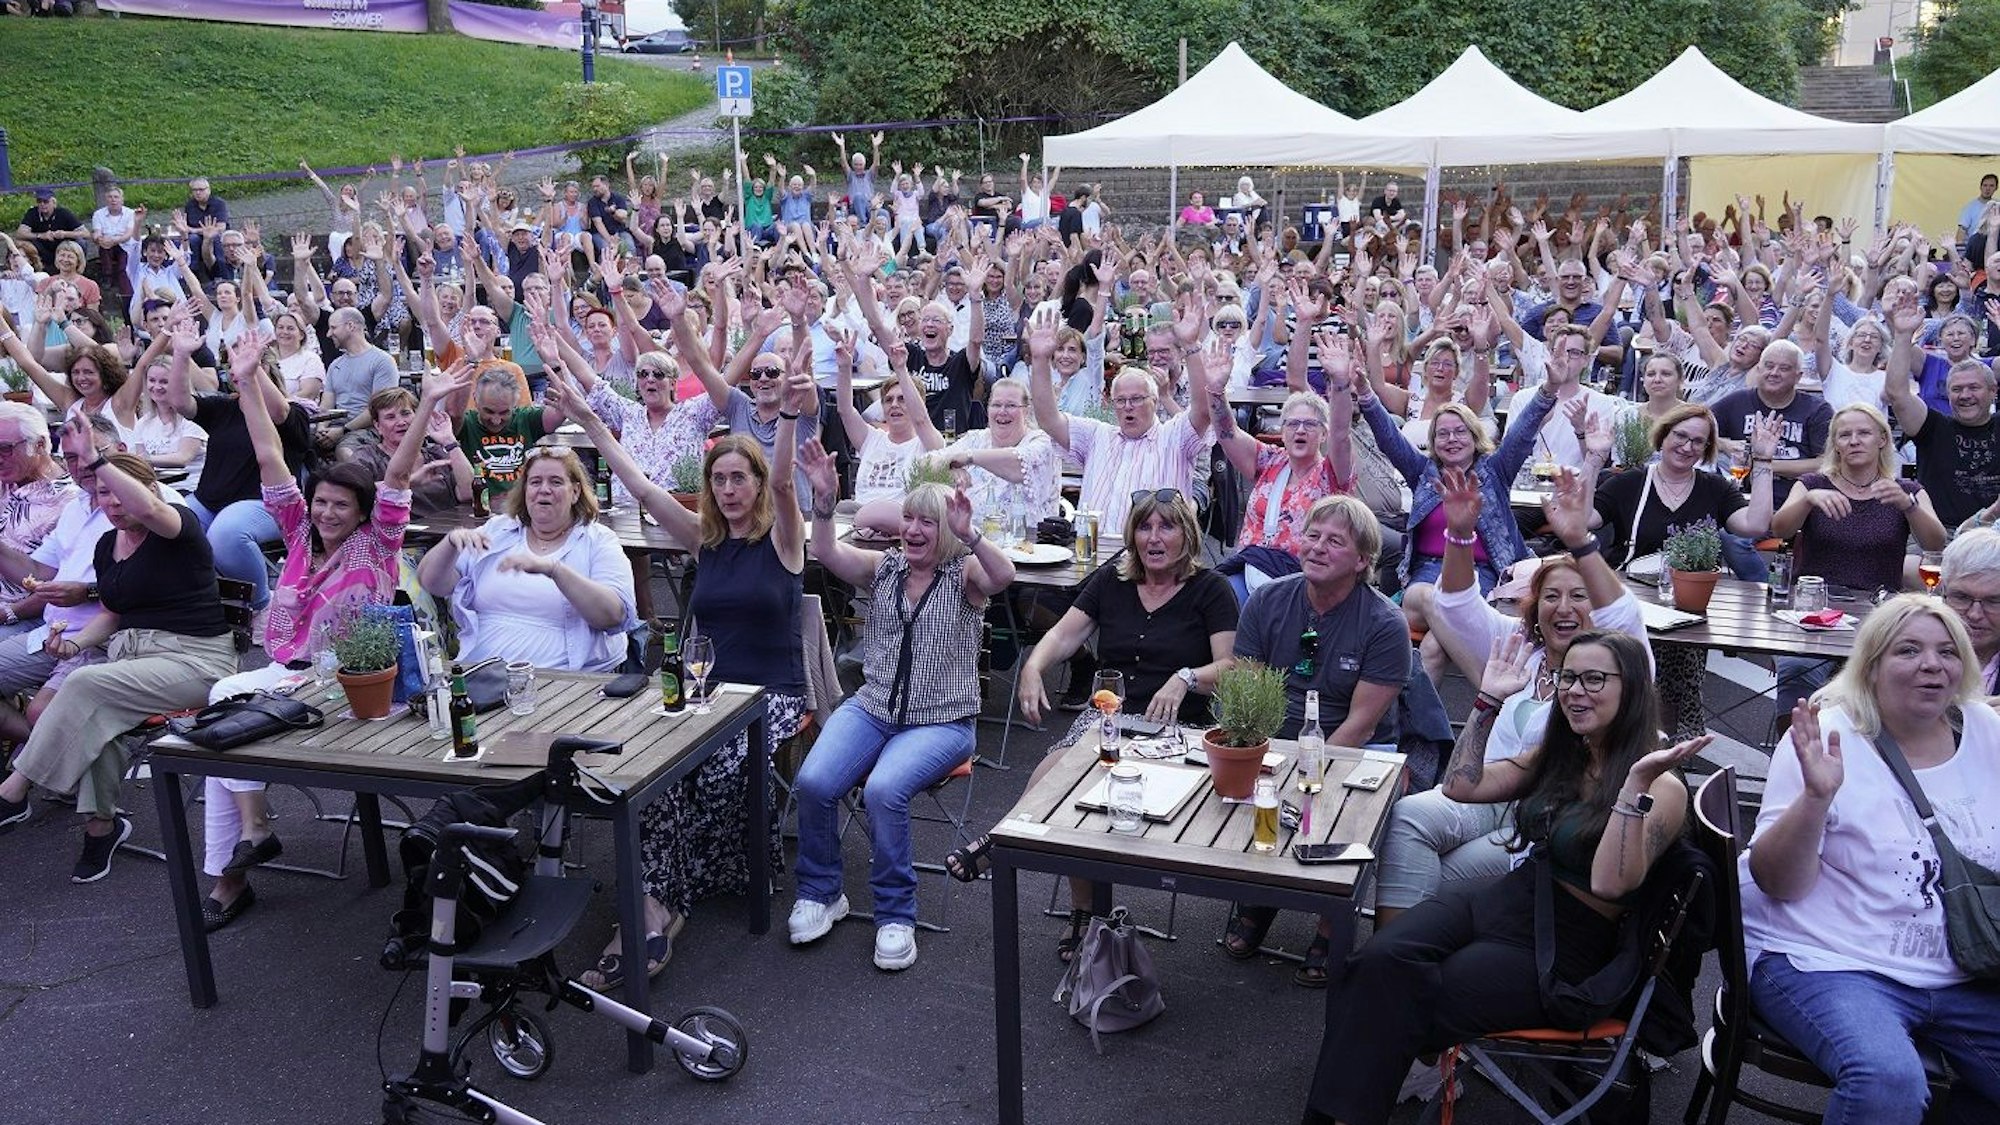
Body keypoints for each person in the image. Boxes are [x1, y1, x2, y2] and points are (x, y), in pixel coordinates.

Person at [1302, 628, 1705, 1125]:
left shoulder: (1661, 786)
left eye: (1595, 679)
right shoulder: (1565, 753)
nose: (1576, 691)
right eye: (1568, 678)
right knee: (1373, 961)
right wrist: (1488, 701)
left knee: (1407, 995)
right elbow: (1460, 787)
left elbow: (1609, 884)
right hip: (1515, 900)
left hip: (1568, 948)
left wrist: (1633, 785)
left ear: (1633, 689)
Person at [550, 364, 812, 988]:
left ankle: (656, 911)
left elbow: (784, 483)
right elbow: (640, 487)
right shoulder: (704, 542)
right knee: (652, 774)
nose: (727, 489)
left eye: (737, 478)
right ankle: (653, 911)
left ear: (755, 483)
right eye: (717, 478)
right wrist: (589, 421)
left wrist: (793, 417)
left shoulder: (785, 543)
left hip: (769, 699)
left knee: (713, 772)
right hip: (704, 693)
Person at [196, 344, 465, 931]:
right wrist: (245, 382)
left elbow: (396, 474)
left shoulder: (379, 542)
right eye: (320, 502)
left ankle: (238, 861)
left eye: (341, 505)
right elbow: (270, 455)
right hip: (291, 678)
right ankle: (246, 843)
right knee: (222, 713)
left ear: (364, 511)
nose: (326, 513)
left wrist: (430, 406)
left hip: (355, 686)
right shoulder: (295, 535)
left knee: (223, 712)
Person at [1741, 596, 2000, 1125]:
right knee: (1888, 1082)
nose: (1932, 664)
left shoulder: (1987, 734)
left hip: (1962, 970)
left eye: (1948, 652)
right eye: (1909, 650)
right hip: (1830, 962)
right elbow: (1777, 883)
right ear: (1872, 665)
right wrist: (1816, 799)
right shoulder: (1827, 739)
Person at [789, 445, 1015, 971]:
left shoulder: (964, 578)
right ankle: (823, 893)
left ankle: (896, 914)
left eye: (928, 523)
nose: (913, 530)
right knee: (815, 781)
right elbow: (827, 553)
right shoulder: (885, 567)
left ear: (949, 531)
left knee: (884, 790)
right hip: (872, 709)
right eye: (908, 518)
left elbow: (1003, 577)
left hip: (943, 722)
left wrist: (973, 533)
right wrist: (824, 503)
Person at [991, 488, 1237, 958]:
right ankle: (1082, 907)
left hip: (1176, 729)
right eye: (1144, 527)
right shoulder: (1112, 579)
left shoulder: (1211, 590)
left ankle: (998, 841)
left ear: (1187, 533)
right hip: (1107, 716)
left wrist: (1185, 678)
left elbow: (1231, 666)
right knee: (1056, 774)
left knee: (1074, 786)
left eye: (1166, 526)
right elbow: (1064, 634)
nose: (1154, 537)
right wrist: (1030, 669)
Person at [0, 436, 237, 884]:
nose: (111, 502)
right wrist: (74, 644)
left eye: (120, 491)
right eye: (103, 493)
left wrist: (97, 459)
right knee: (96, 716)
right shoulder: (108, 545)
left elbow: (150, 512)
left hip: (194, 662)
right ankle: (101, 828)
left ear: (146, 490)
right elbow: (111, 611)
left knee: (87, 687)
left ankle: (15, 787)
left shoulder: (177, 528)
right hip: (134, 659)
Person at [1228, 495, 1411, 986]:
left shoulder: (1384, 624)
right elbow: (1247, 692)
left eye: (1336, 541)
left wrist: (1306, 768)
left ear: (1363, 560)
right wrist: (1263, 758)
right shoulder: (1268, 600)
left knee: (1346, 804)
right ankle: (1260, 894)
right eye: (1312, 535)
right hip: (1277, 734)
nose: (1318, 547)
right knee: (1240, 775)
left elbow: (1363, 725)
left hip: (1354, 746)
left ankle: (1332, 920)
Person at [1769, 403, 1948, 713]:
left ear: (1882, 439)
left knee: (1886, 681)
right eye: (1844, 435)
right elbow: (1779, 528)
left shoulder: (1906, 490)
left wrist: (1909, 506)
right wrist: (1809, 501)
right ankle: (1794, 751)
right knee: (1796, 670)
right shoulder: (1814, 484)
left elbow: (1936, 543)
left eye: (1863, 433)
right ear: (1835, 445)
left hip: (1876, 615)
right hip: (1815, 612)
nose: (1854, 441)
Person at [416, 444, 637, 672]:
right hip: (484, 673)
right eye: (535, 482)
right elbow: (434, 584)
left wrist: (554, 570)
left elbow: (613, 615)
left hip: (567, 679)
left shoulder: (598, 540)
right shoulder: (497, 530)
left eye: (556, 482)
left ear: (575, 492)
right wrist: (450, 543)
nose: (544, 489)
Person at [1028, 305, 1214, 533]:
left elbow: (1204, 411)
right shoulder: (1097, 434)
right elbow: (1048, 419)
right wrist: (1039, 360)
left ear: (1154, 401)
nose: (1128, 407)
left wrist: (1192, 348)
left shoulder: (1173, 436)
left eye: (1136, 399)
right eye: (1120, 400)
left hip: (1152, 558)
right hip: (1093, 555)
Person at [1210, 327, 1356, 605]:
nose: (1300, 430)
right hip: (1250, 568)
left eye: (1310, 425)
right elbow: (1227, 433)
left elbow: (1341, 433)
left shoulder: (1331, 474)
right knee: (1212, 599)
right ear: (1282, 430)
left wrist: (1339, 382)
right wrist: (1216, 390)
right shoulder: (1270, 461)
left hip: (1304, 579)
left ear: (1322, 434)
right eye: (1292, 424)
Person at [1883, 292, 2000, 530]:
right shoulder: (1933, 427)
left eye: (1974, 388)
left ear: (1992, 392)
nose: (1965, 395)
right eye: (1957, 389)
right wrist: (1903, 335)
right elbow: (1897, 393)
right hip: (1938, 533)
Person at [0, 401, 72, 641]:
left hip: (23, 615)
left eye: (5, 449)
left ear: (39, 444)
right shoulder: (6, 481)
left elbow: (63, 586)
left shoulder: (69, 501)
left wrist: (9, 613)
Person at [1940, 529, 2000, 696]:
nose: (1974, 614)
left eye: (1993, 601)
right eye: (1962, 597)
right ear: (1943, 593)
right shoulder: (1911, 652)